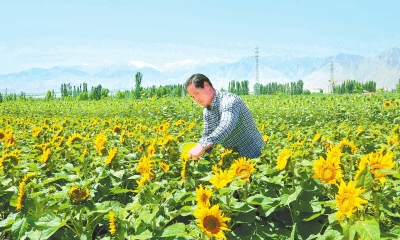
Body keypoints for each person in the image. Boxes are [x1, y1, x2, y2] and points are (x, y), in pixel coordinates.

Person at [185, 73, 265, 160]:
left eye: (197, 93)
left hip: (256, 155)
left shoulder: (229, 101)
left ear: (206, 85)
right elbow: (207, 135)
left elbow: (225, 126)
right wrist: (199, 154)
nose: (196, 99)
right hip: (235, 159)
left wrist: (201, 146)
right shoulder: (207, 111)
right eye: (193, 97)